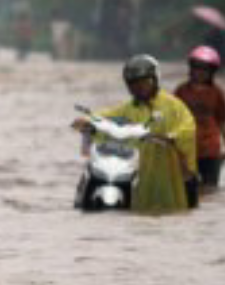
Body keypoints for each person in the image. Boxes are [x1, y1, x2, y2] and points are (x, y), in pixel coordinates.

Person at [74, 54, 198, 212]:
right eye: (132, 84)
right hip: (144, 175)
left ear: (154, 80)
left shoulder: (173, 105)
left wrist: (173, 137)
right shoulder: (129, 108)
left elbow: (188, 126)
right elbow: (108, 116)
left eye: (143, 82)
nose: (138, 87)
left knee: (178, 215)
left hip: (174, 174)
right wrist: (88, 121)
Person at [174, 45, 225, 191]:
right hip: (186, 148)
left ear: (212, 72)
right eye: (197, 67)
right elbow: (173, 118)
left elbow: (222, 120)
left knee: (210, 189)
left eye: (205, 69)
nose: (200, 72)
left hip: (210, 149)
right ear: (190, 68)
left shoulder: (217, 93)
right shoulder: (181, 91)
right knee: (186, 188)